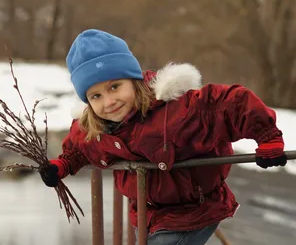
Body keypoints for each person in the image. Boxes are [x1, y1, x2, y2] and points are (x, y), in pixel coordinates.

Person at [39, 29, 287, 245]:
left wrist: (267, 136)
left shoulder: (177, 111)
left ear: (133, 80)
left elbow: (231, 105)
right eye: (96, 96)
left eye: (115, 87)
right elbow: (81, 149)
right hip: (147, 215)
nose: (109, 102)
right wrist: (62, 165)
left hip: (192, 211)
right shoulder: (96, 128)